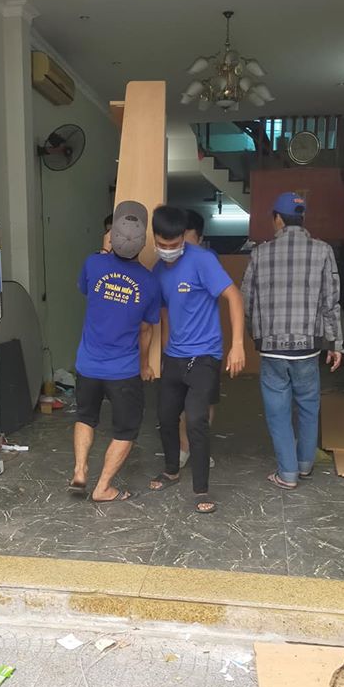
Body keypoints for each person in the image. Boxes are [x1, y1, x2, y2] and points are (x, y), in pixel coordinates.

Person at [241, 192, 342, 490]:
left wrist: (255, 334)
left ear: (277, 219)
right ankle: (305, 465)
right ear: (302, 218)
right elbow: (331, 301)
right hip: (308, 346)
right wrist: (335, 343)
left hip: (272, 347)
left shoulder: (260, 253)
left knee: (278, 410)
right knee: (309, 405)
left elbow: (247, 300)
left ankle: (287, 473)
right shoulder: (323, 251)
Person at [150, 205, 245, 514]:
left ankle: (201, 489)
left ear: (183, 237)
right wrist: (163, 354)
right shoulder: (158, 270)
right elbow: (165, 313)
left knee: (195, 421)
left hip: (204, 355)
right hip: (174, 356)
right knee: (165, 417)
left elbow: (233, 296)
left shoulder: (203, 260)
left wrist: (238, 346)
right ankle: (171, 471)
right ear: (155, 238)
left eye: (174, 244)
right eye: (162, 244)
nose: (168, 250)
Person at [71, 201, 160, 502]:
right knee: (125, 430)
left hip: (88, 365)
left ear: (111, 236)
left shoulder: (93, 264)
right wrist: (145, 364)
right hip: (123, 371)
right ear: (143, 243)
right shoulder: (149, 283)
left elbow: (86, 290)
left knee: (85, 417)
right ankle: (103, 487)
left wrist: (104, 251)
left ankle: (80, 471)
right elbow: (146, 330)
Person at [178, 208, 216, 469]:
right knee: (180, 401)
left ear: (200, 239)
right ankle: (184, 448)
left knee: (205, 402)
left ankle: (199, 447)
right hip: (177, 346)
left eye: (187, 238)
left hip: (206, 348)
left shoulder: (208, 260)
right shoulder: (169, 263)